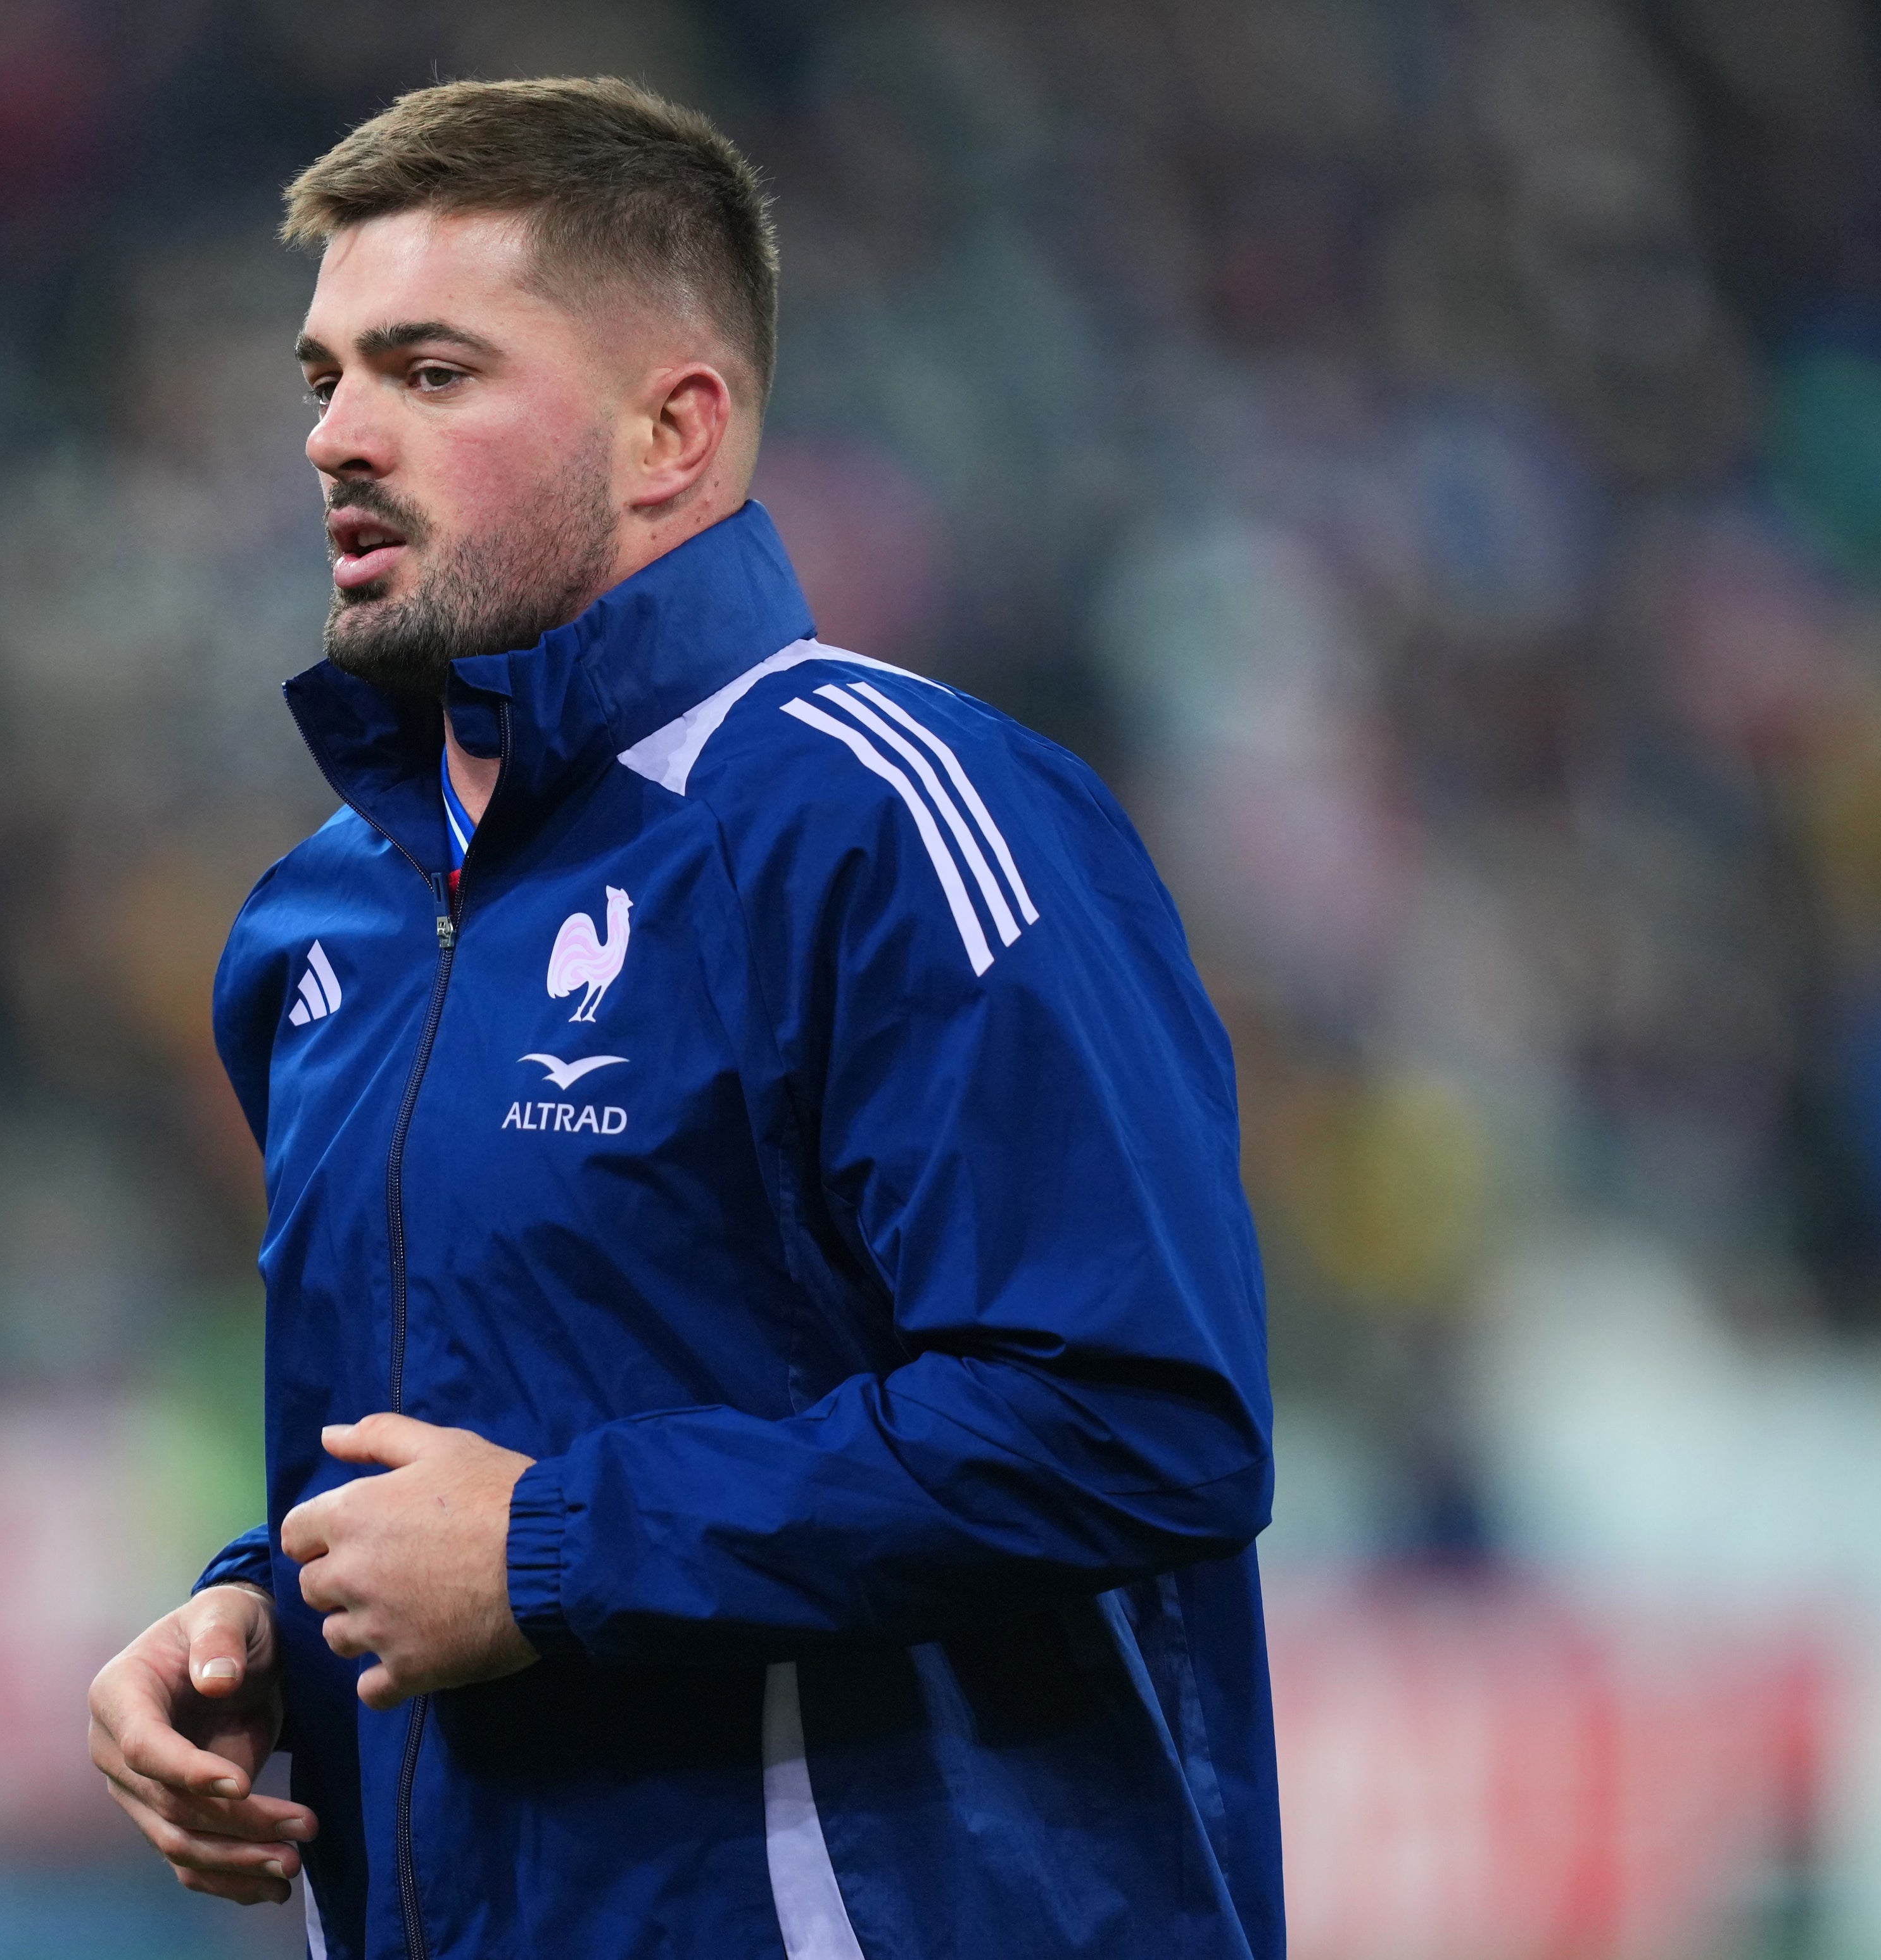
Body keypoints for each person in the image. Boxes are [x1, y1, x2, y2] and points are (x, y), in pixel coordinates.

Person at [87, 76, 1281, 1960]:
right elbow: (458, 1461)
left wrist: (553, 1550)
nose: (335, 437)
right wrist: (258, 1618)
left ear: (674, 430)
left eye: (430, 371)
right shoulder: (327, 921)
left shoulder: (893, 817)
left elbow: (1139, 1419)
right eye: (323, 377)